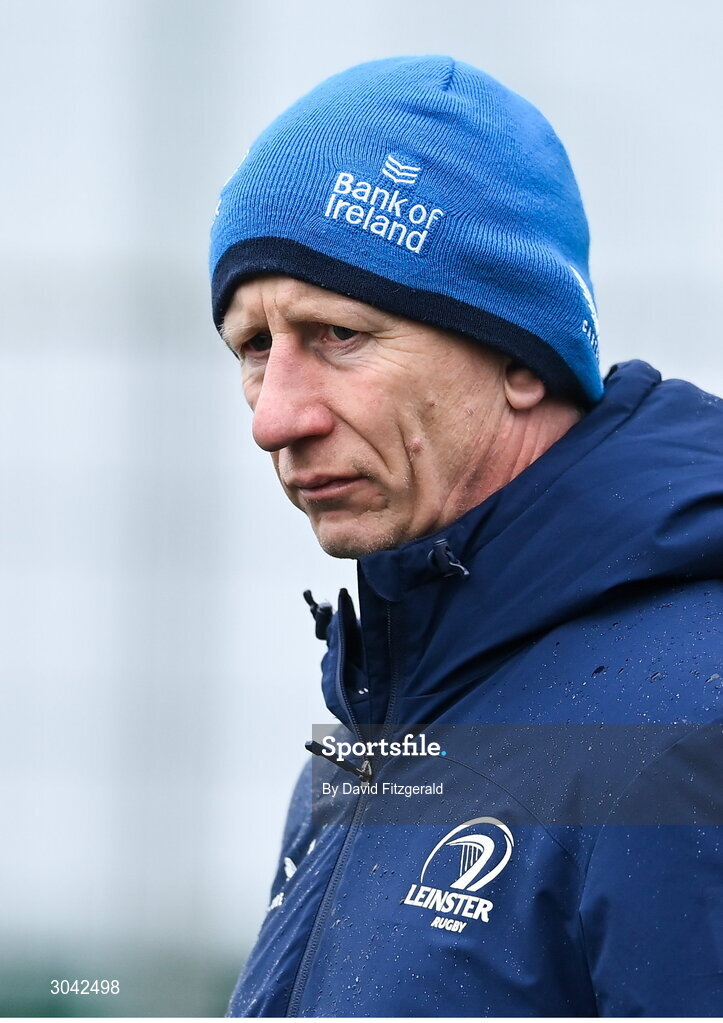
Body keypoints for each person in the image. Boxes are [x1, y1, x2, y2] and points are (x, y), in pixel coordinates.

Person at [209, 56, 723, 1017]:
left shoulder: (690, 725)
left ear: (518, 357)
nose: (273, 417)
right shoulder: (385, 724)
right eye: (252, 347)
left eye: (338, 335)